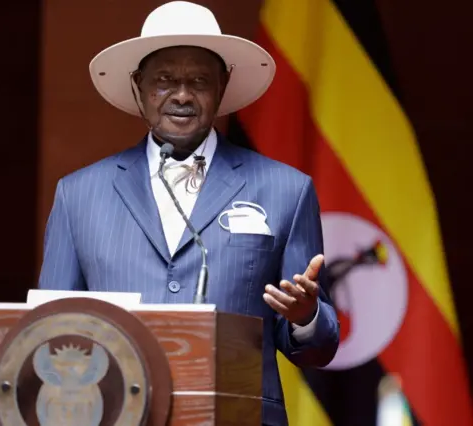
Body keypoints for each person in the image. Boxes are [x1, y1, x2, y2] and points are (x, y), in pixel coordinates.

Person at [38, 2, 339, 425]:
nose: (182, 94)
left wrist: (306, 316)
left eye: (199, 80)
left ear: (223, 86)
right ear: (139, 86)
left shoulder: (286, 190)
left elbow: (319, 348)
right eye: (164, 80)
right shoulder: (78, 195)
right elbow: (48, 336)